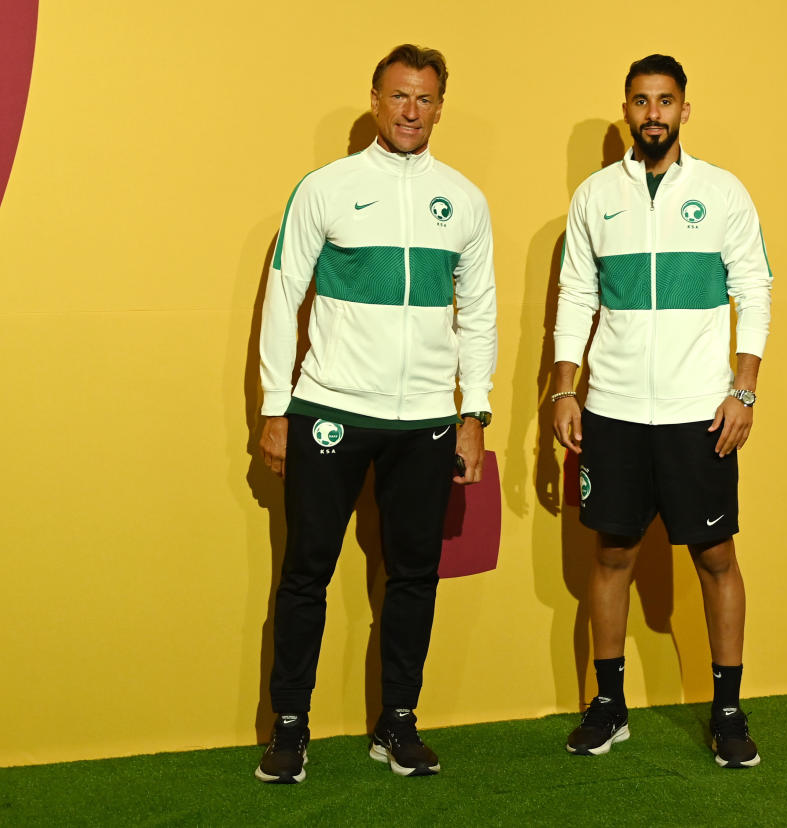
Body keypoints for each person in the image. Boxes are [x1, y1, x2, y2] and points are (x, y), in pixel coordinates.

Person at [254, 44, 496, 782]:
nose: (411, 111)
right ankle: (290, 728)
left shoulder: (466, 199)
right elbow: (281, 297)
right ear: (375, 99)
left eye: (424, 99)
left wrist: (474, 410)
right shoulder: (326, 188)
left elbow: (478, 314)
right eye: (398, 97)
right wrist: (274, 406)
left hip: (426, 419)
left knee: (414, 575)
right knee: (306, 573)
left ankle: (398, 723)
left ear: (440, 107)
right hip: (330, 410)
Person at [551, 54, 773, 770]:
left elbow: (756, 291)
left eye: (665, 101)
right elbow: (576, 298)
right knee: (611, 554)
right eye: (641, 102)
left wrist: (743, 389)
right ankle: (609, 707)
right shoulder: (595, 197)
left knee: (715, 558)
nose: (653, 114)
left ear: (684, 109)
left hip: (696, 411)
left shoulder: (723, 191)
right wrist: (563, 389)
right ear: (627, 111)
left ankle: (728, 711)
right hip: (612, 408)